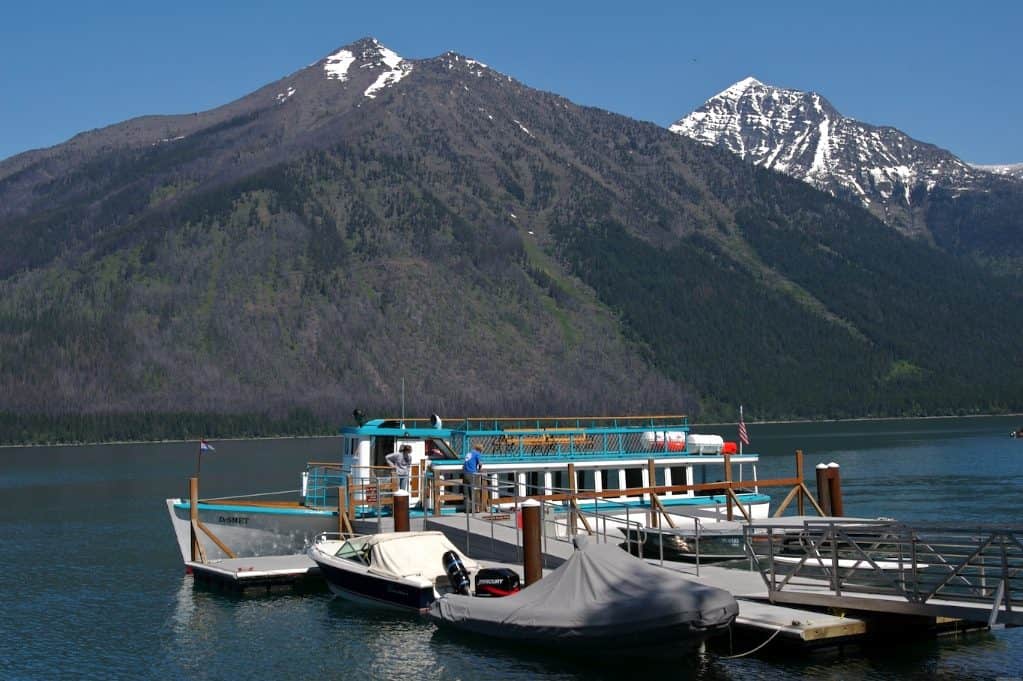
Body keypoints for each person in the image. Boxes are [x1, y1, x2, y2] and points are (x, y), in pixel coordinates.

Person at [462, 442, 483, 512]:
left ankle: (467, 509)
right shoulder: (477, 454)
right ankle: (476, 509)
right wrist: (479, 470)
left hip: (465, 474)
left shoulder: (469, 453)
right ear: (480, 449)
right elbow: (480, 463)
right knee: (475, 491)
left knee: (466, 492)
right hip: (472, 474)